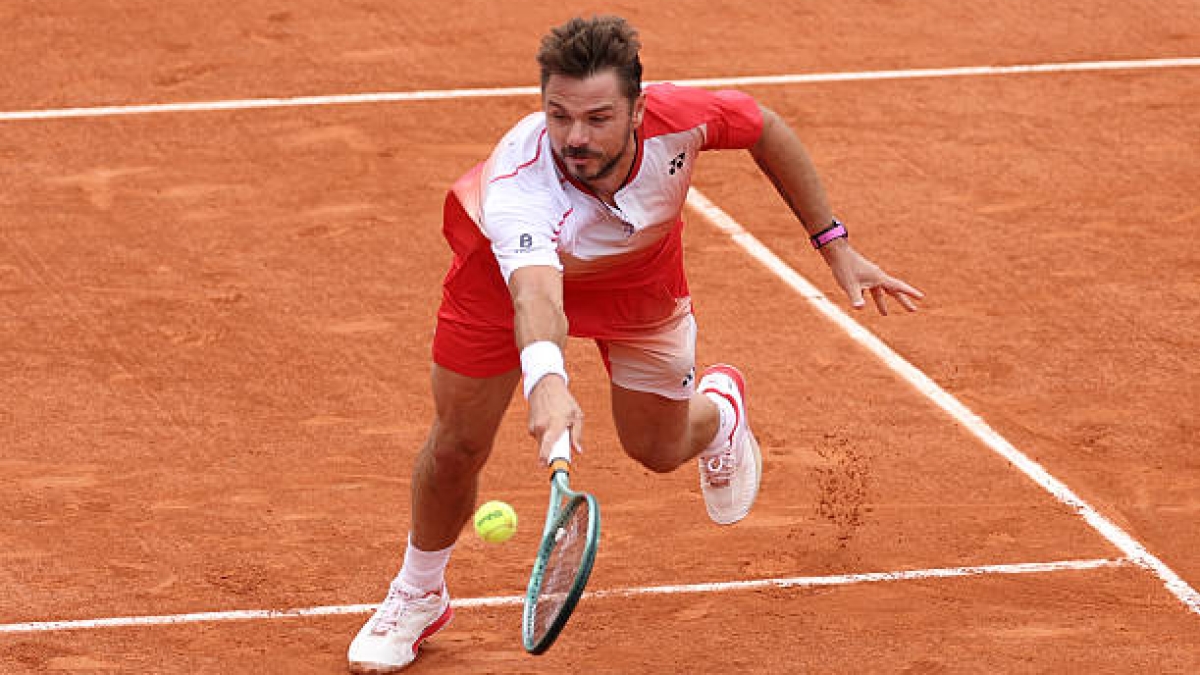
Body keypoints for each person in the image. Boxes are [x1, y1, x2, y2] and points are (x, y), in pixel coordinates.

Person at [348, 15, 922, 673]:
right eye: (558, 115)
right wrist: (550, 383)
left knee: (657, 449)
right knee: (456, 444)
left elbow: (765, 128)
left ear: (639, 109)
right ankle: (418, 592)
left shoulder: (685, 117)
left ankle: (721, 413)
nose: (574, 137)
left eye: (597, 117)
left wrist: (833, 242)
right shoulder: (519, 186)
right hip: (500, 282)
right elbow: (537, 299)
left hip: (641, 282)